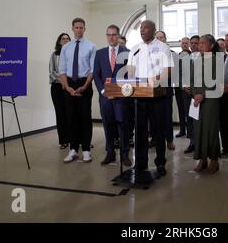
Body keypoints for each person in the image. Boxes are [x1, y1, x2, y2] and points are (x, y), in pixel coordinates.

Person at [127, 20, 174, 178]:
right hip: (140, 96)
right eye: (140, 28)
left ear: (153, 30)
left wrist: (153, 81)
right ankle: (140, 163)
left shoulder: (163, 48)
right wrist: (133, 81)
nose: (142, 30)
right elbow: (130, 72)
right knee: (140, 131)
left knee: (158, 131)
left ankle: (160, 162)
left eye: (145, 28)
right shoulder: (134, 50)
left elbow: (168, 72)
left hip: (157, 96)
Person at [58, 18, 96, 163]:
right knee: (71, 118)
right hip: (69, 84)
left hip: (84, 83)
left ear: (84, 29)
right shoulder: (66, 47)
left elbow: (93, 70)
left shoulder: (91, 46)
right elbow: (61, 70)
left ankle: (86, 150)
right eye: (76, 27)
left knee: (85, 117)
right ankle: (73, 149)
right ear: (72, 28)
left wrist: (85, 86)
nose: (79, 29)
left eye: (81, 27)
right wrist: (67, 87)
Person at [93, 25, 132, 167]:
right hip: (105, 98)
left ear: (118, 35)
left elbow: (131, 76)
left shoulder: (127, 53)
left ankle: (125, 154)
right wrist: (104, 91)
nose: (111, 37)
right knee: (108, 125)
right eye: (109, 35)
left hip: (122, 98)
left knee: (123, 125)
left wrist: (120, 92)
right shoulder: (99, 53)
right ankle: (110, 153)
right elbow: (96, 75)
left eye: (114, 35)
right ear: (106, 36)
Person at [190, 34, 221, 173]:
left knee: (210, 129)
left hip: (211, 99)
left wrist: (202, 94)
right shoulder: (196, 60)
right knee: (198, 129)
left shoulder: (216, 61)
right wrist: (195, 93)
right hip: (197, 99)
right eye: (199, 43)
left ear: (212, 45)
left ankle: (214, 160)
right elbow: (191, 80)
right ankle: (202, 159)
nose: (200, 45)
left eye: (203, 43)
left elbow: (217, 82)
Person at [49, 32, 71, 149]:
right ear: (59, 41)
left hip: (70, 86)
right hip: (57, 87)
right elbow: (52, 72)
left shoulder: (72, 54)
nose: (65, 40)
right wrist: (62, 81)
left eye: (67, 39)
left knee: (71, 113)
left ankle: (74, 139)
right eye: (63, 39)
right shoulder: (54, 55)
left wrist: (67, 83)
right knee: (61, 114)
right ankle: (63, 141)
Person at [183, 35, 200, 154]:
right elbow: (179, 74)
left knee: (198, 118)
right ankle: (192, 142)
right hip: (186, 93)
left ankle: (200, 142)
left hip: (199, 93)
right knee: (189, 118)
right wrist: (183, 86)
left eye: (196, 43)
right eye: (192, 43)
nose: (193, 45)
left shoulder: (204, 57)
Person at [174, 37, 190, 138]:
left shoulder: (193, 55)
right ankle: (182, 130)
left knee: (188, 110)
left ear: (188, 44)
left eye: (186, 43)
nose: (184, 45)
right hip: (178, 87)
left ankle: (190, 131)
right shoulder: (177, 56)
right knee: (180, 109)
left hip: (187, 88)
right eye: (183, 43)